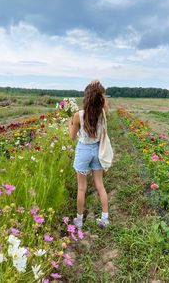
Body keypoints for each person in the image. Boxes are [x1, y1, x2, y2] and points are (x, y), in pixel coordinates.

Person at [68, 80, 109, 229]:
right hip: (98, 150)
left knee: (81, 188)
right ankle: (105, 219)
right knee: (100, 186)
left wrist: (69, 123)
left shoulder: (78, 115)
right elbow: (104, 101)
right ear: (100, 98)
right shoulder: (102, 113)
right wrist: (99, 88)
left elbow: (72, 137)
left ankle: (79, 220)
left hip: (83, 150)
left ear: (86, 97)